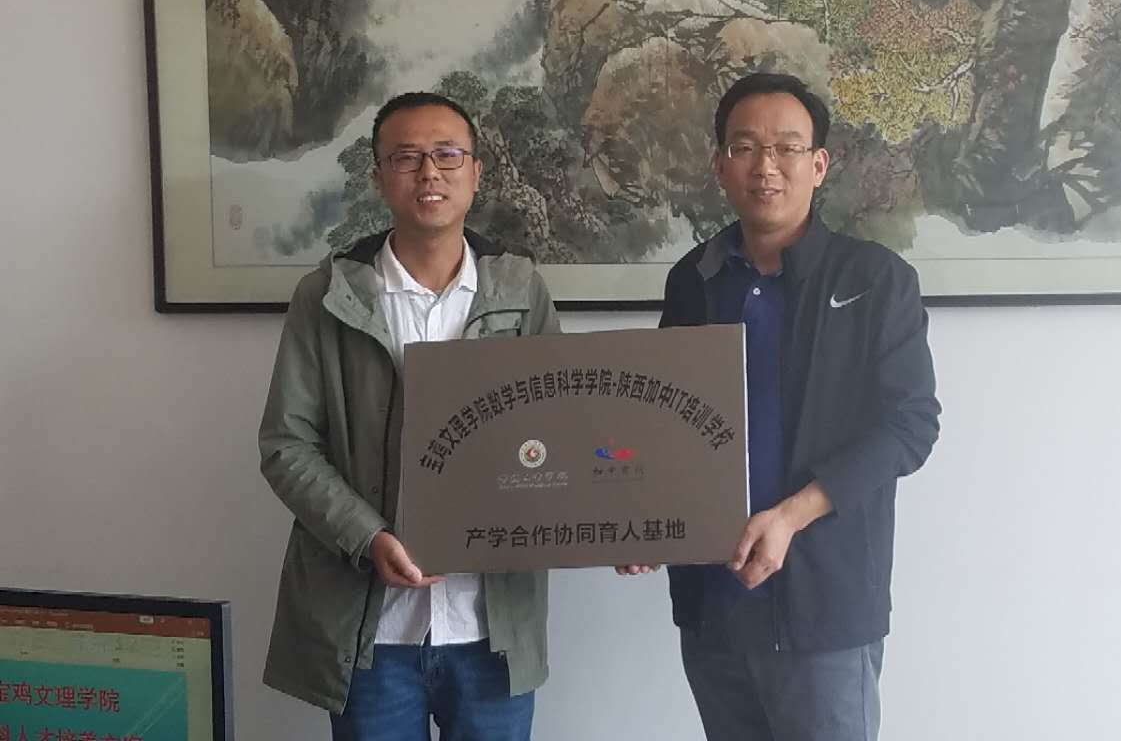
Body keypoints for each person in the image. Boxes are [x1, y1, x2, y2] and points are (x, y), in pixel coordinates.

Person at [621, 71, 941, 741]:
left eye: (787, 148)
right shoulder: (693, 280)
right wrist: (641, 519)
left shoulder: (875, 279)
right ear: (719, 165)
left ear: (818, 165)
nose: (765, 167)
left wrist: (792, 516)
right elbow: (664, 417)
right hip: (713, 601)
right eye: (744, 148)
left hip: (824, 603)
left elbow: (910, 426)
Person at [259, 91, 560, 741]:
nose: (429, 172)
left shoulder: (521, 290)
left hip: (492, 629)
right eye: (406, 157)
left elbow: (557, 433)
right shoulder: (328, 295)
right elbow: (287, 444)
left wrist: (617, 525)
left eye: (447, 155)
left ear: (476, 172)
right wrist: (367, 536)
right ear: (378, 176)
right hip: (371, 636)